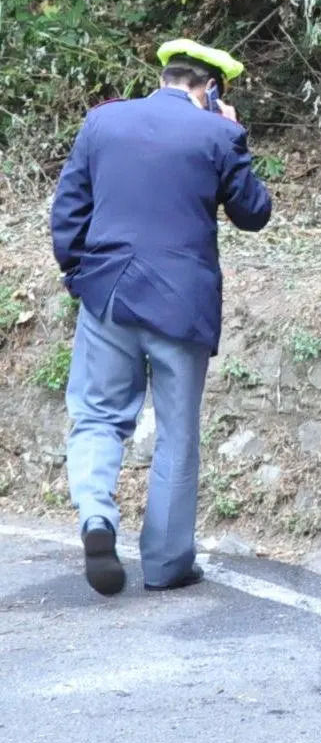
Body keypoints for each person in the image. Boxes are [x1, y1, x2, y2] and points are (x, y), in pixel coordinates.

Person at [50, 39, 273, 596]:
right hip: (182, 305)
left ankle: (96, 518)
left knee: (98, 415)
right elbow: (254, 213)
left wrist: (80, 275)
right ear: (212, 87)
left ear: (165, 77)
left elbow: (69, 210)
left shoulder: (103, 123)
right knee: (176, 435)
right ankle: (168, 565)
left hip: (109, 293)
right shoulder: (218, 133)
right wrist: (232, 133)